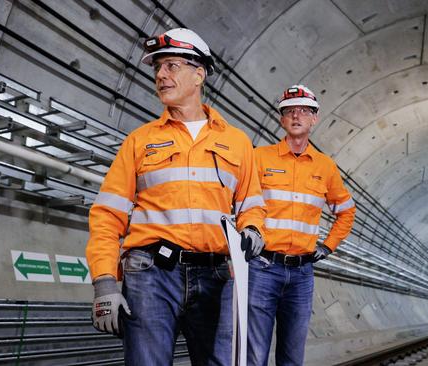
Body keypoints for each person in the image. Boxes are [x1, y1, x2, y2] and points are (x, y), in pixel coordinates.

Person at [85, 28, 266, 366]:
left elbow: (250, 202)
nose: (160, 75)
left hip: (215, 275)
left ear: (199, 74)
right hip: (150, 274)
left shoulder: (238, 142)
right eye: (157, 68)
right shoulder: (139, 141)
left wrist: (253, 230)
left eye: (171, 66)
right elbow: (107, 215)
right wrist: (105, 283)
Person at [248, 85, 357, 365]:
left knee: (292, 356)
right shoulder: (259, 158)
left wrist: (328, 246)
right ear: (281, 119)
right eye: (289, 111)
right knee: (253, 354)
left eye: (304, 110)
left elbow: (346, 211)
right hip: (262, 269)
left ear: (314, 119)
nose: (296, 115)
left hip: (301, 274)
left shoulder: (326, 167)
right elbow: (243, 203)